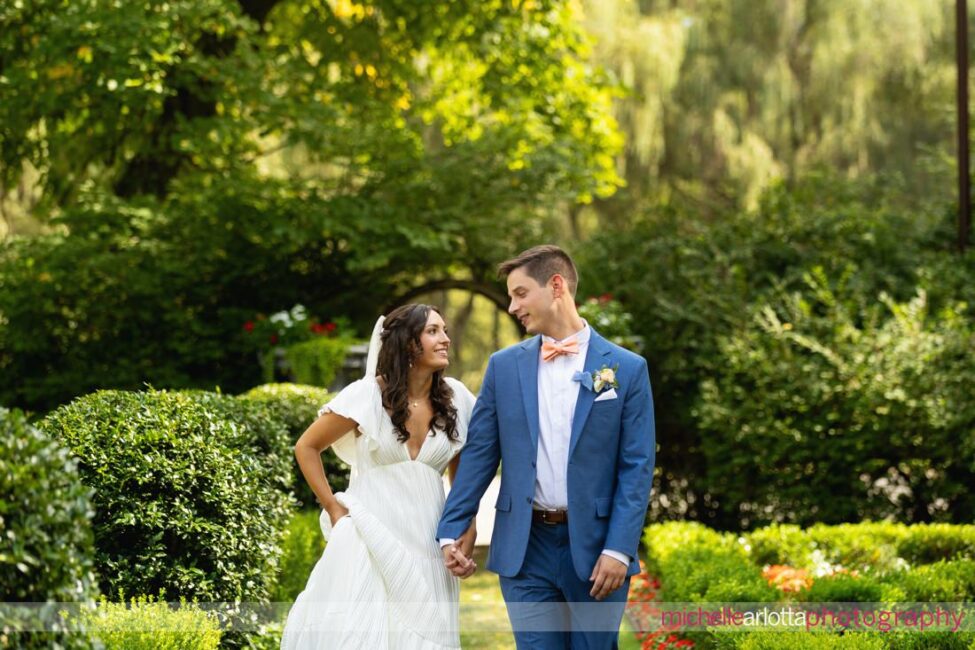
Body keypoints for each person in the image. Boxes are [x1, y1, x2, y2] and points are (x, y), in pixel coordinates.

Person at [437, 245, 656, 649]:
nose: (511, 306)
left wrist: (619, 549)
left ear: (556, 286)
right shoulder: (503, 367)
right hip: (525, 547)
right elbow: (481, 452)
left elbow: (637, 467)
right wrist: (452, 529)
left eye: (520, 293)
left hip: (596, 548)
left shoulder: (627, 368)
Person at [281, 304, 477, 649]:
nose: (445, 339)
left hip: (429, 538)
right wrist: (332, 507)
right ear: (407, 343)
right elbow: (307, 447)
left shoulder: (457, 398)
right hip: (372, 535)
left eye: (444, 330)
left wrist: (467, 526)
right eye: (433, 331)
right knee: (368, 632)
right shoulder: (367, 396)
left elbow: (461, 477)